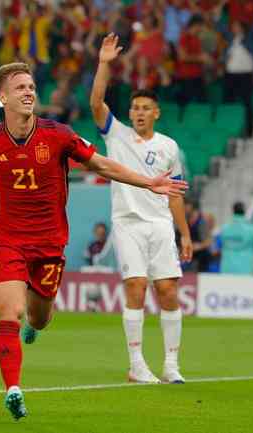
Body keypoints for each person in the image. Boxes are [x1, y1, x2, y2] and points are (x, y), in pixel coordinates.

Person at [0, 61, 187, 420]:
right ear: (2, 98)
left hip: (48, 244)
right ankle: (13, 388)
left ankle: (35, 326)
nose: (29, 92)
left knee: (39, 318)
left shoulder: (58, 134)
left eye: (31, 86)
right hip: (7, 240)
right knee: (7, 312)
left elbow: (102, 165)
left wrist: (147, 181)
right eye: (20, 88)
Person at [90, 34, 193, 385]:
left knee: (167, 290)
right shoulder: (116, 136)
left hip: (161, 224)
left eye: (145, 108)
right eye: (135, 108)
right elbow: (96, 103)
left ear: (156, 113)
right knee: (135, 286)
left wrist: (185, 233)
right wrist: (104, 62)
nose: (139, 113)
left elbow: (175, 193)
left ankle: (171, 365)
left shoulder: (169, 146)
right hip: (128, 222)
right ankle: (136, 364)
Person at [219, 202, 253, 274]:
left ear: (233, 211)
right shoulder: (252, 230)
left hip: (227, 268)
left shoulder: (224, 228)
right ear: (244, 211)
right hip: (245, 268)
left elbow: (221, 244)